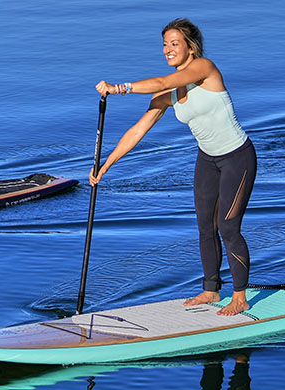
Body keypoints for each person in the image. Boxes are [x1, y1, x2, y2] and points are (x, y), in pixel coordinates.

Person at [91, 18, 256, 316]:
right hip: (207, 160)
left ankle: (240, 296)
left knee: (229, 227)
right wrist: (106, 165)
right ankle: (210, 289)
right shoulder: (167, 96)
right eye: (165, 44)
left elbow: (163, 81)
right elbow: (138, 130)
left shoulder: (205, 69)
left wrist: (119, 89)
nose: (168, 49)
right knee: (206, 226)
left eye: (174, 43)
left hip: (237, 158)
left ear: (190, 48)